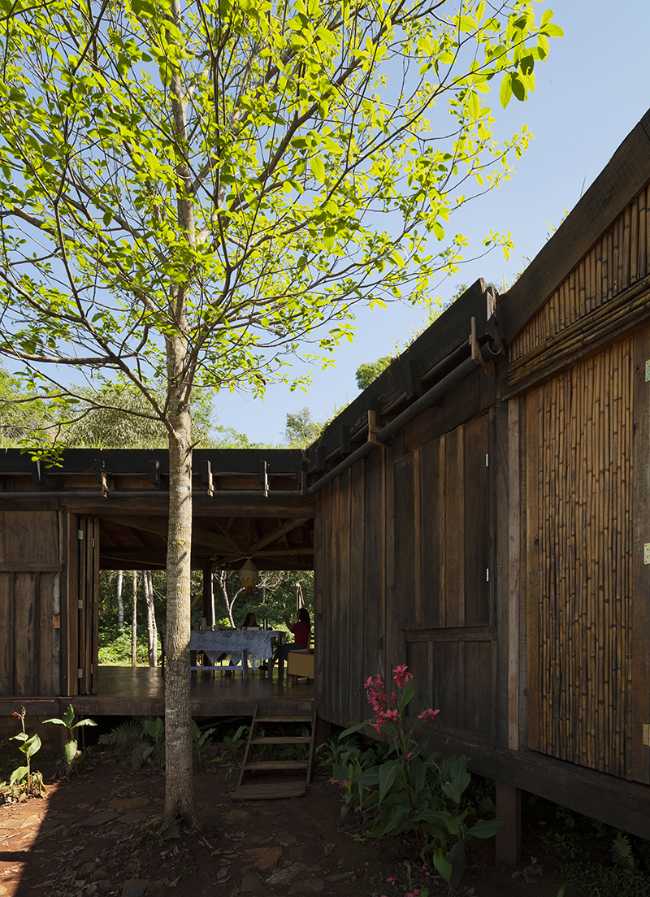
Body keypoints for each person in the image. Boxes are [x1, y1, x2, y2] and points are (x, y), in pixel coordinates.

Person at [270, 608, 311, 675]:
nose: (297, 615)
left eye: (298, 613)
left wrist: (286, 619)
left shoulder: (300, 624)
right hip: (302, 646)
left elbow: (291, 628)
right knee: (281, 649)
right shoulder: (306, 624)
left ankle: (272, 664)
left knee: (280, 649)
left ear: (301, 615)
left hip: (299, 647)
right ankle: (273, 663)